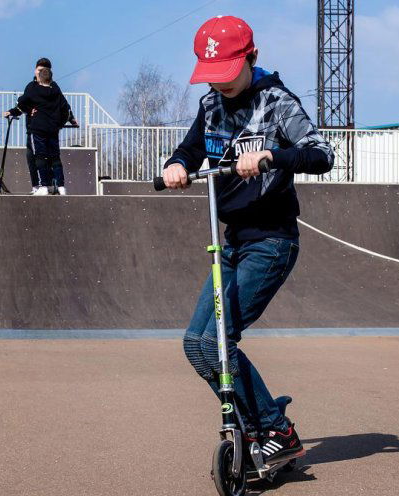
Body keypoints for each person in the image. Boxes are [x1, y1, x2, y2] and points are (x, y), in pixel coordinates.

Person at [161, 15, 333, 465]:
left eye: (228, 73)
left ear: (251, 58)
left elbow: (321, 154)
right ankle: (257, 424)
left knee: (222, 340)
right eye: (212, 76)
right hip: (232, 241)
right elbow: (190, 149)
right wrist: (176, 165)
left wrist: (270, 155)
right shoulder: (210, 104)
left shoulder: (277, 101)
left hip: (272, 240)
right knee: (197, 344)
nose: (221, 84)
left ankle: (276, 430)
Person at [4, 58, 77, 195]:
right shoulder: (37, 87)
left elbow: (22, 103)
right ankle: (52, 186)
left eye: (42, 71)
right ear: (35, 70)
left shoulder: (36, 90)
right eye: (38, 70)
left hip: (37, 129)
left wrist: (13, 111)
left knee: (41, 157)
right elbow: (64, 107)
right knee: (40, 157)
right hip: (46, 128)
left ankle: (45, 185)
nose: (39, 73)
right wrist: (62, 122)